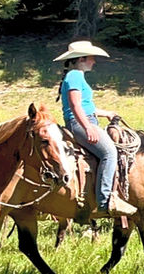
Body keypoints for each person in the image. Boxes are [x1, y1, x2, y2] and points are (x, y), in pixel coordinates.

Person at [54, 40, 137, 218]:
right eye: (91, 58)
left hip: (83, 120)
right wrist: (88, 127)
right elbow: (75, 106)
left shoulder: (74, 75)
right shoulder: (75, 75)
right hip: (81, 123)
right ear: (82, 58)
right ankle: (105, 200)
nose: (94, 61)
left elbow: (83, 106)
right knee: (110, 153)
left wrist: (105, 113)